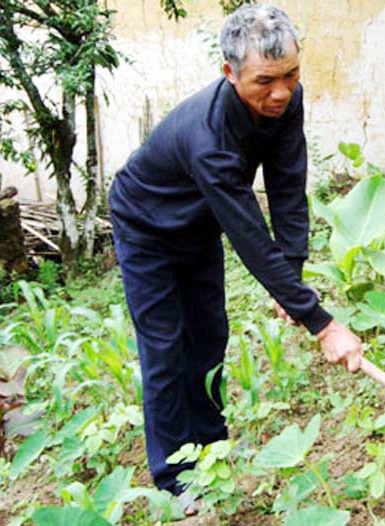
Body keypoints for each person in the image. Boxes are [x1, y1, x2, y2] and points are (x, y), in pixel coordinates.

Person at [108, 3, 363, 505]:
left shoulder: (287, 101)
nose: (282, 91)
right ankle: (175, 477)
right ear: (230, 72)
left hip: (198, 222)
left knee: (209, 336)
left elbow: (288, 186)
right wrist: (323, 323)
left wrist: (292, 273)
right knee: (165, 347)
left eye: (291, 74)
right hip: (146, 228)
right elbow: (248, 232)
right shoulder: (208, 137)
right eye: (265, 80)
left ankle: (211, 447)